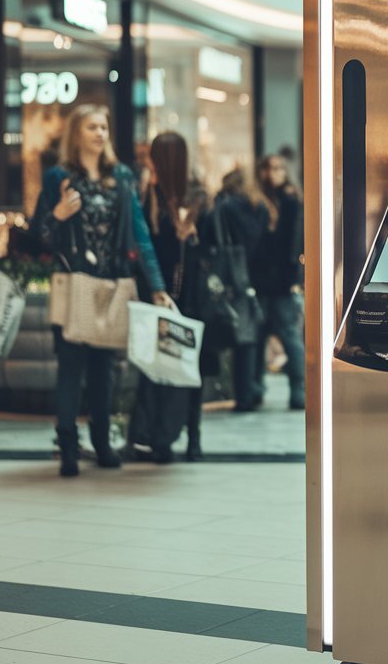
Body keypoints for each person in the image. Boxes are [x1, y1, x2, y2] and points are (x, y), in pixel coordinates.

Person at [32, 105, 170, 477]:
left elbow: (139, 233)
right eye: (92, 127)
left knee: (103, 369)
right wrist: (57, 215)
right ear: (76, 133)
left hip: (113, 282)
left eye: (103, 127)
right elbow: (36, 236)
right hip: (75, 280)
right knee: (71, 367)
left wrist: (156, 286)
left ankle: (103, 442)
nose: (99, 133)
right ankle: (68, 446)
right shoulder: (59, 176)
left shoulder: (121, 177)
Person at [139, 132, 206, 461]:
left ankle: (177, 438)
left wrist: (192, 235)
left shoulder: (193, 198)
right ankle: (174, 437)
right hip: (180, 297)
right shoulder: (152, 194)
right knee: (182, 367)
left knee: (170, 366)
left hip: (172, 296)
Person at [216, 165, 271, 412]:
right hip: (257, 277)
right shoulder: (260, 207)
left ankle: (243, 395)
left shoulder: (225, 207)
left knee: (241, 341)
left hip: (233, 275)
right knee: (253, 339)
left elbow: (218, 239)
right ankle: (253, 389)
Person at [252, 154, 305, 409]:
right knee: (257, 337)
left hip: (283, 281)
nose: (272, 173)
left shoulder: (291, 201)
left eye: (277, 168)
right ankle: (253, 390)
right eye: (268, 168)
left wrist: (295, 277)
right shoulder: (258, 202)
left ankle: (299, 390)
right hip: (261, 281)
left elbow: (293, 243)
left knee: (289, 337)